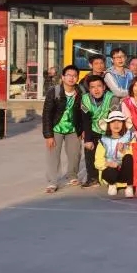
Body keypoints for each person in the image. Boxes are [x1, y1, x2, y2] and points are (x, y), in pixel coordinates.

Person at [42, 65, 83, 193]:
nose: (71, 78)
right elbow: (47, 114)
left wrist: (82, 129)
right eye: (69, 75)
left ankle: (72, 176)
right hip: (56, 128)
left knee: (75, 154)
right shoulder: (54, 91)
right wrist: (48, 135)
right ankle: (52, 182)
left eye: (74, 76)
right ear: (63, 77)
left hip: (73, 128)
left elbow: (83, 112)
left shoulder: (81, 92)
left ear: (77, 78)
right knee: (53, 156)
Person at [80, 75, 121, 189]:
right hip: (93, 129)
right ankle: (92, 178)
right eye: (92, 87)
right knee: (89, 149)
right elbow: (86, 120)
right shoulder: (85, 99)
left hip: (109, 130)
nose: (96, 89)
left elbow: (115, 119)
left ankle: (112, 177)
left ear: (104, 87)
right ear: (89, 89)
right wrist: (87, 139)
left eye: (99, 86)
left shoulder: (112, 98)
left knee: (110, 153)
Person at [95, 111, 136, 198]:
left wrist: (123, 150)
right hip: (110, 172)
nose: (116, 124)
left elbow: (135, 156)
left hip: (125, 172)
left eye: (119, 122)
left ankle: (129, 186)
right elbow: (97, 162)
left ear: (123, 123)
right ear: (109, 124)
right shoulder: (103, 140)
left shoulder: (130, 137)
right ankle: (112, 184)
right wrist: (108, 164)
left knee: (129, 157)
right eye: (113, 122)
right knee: (111, 170)